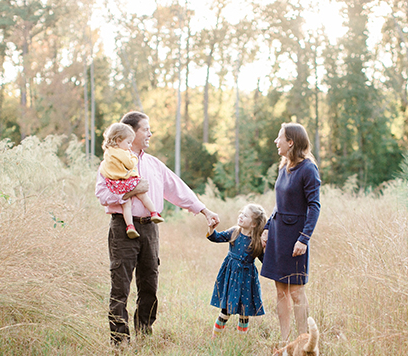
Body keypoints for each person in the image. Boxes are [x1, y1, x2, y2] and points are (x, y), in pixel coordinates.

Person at [95, 111, 220, 344]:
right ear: (131, 133)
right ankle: (120, 342)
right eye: (146, 129)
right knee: (120, 286)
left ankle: (144, 334)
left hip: (150, 229)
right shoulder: (111, 162)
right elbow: (102, 194)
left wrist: (205, 211)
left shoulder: (154, 165)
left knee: (150, 284)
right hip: (122, 227)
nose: (150, 133)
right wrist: (128, 193)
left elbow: (178, 189)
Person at [260, 122, 321, 342]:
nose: (276, 142)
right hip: (278, 234)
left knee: (296, 292)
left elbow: (314, 206)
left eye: (280, 138)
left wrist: (304, 238)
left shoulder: (308, 169)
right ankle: (285, 342)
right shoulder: (283, 167)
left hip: (295, 237)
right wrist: (267, 227)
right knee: (280, 292)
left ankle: (303, 342)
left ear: (291, 141)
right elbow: (279, 203)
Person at [207, 204, 267, 337]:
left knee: (244, 311)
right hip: (231, 275)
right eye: (241, 213)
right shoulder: (234, 232)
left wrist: (268, 247)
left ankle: (241, 340)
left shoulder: (257, 241)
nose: (241, 216)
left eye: (245, 215)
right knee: (225, 310)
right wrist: (211, 228)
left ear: (254, 224)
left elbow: (266, 260)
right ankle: (215, 337)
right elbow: (216, 237)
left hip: (247, 277)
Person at [100, 122, 164, 239]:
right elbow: (130, 164)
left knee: (126, 205)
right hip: (127, 181)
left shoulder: (107, 155)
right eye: (128, 142)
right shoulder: (121, 153)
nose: (130, 146)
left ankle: (130, 226)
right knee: (143, 195)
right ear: (118, 140)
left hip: (116, 184)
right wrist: (133, 156)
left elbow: (104, 170)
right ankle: (154, 212)